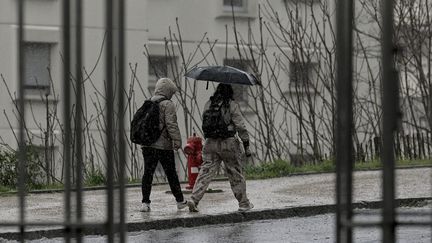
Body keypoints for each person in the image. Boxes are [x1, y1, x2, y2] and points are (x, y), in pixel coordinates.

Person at [187, 83, 253, 212]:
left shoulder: (208, 104)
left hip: (210, 143)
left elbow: (205, 124)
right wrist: (246, 144)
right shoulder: (232, 105)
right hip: (228, 143)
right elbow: (241, 127)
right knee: (235, 173)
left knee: (205, 172)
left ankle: (194, 199)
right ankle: (243, 203)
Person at [140, 77, 188, 212]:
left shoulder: (148, 101)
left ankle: (145, 203)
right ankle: (180, 201)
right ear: (167, 91)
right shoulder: (168, 104)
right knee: (171, 173)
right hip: (163, 146)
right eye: (171, 92)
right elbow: (171, 125)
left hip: (148, 144)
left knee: (147, 174)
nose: (172, 95)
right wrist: (177, 141)